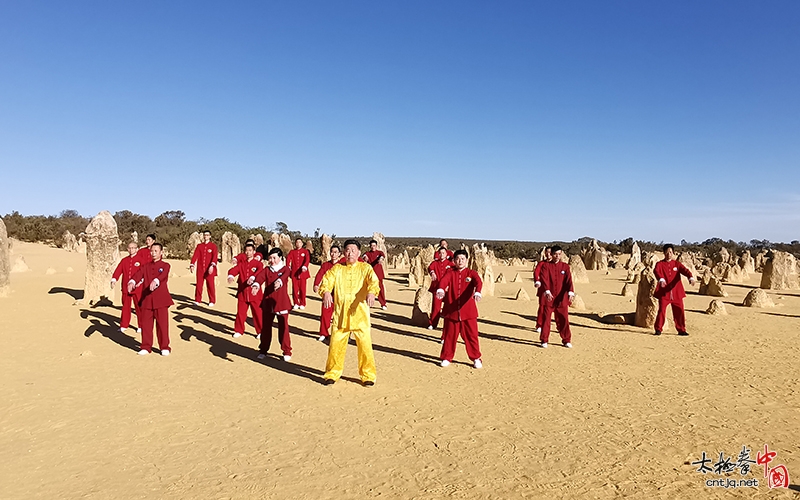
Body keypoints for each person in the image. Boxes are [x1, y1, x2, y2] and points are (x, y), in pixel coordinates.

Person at [318, 239, 381, 386]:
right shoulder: (337, 269)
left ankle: (368, 375)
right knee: (335, 345)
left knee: (365, 346)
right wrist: (326, 292)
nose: (350, 253)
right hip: (341, 315)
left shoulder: (365, 268)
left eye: (353, 250)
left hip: (360, 315)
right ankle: (332, 373)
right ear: (343, 252)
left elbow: (374, 282)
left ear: (359, 252)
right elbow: (326, 281)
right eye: (347, 250)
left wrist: (372, 293)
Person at [435, 249, 483, 368]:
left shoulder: (471, 273)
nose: (460, 261)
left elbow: (478, 282)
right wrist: (441, 289)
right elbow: (443, 281)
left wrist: (478, 292)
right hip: (452, 312)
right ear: (454, 260)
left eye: (462, 259)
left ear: (467, 260)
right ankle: (446, 357)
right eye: (457, 259)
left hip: (468, 312)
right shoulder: (450, 272)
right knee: (449, 337)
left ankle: (476, 358)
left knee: (471, 336)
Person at [127, 243, 174, 356]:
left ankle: (164, 346)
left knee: (162, 325)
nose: (153, 253)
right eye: (152, 251)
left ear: (161, 252)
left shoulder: (165, 265)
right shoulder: (145, 266)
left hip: (161, 300)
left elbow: (163, 277)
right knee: (146, 325)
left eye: (156, 251)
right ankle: (146, 346)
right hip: (147, 299)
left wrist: (156, 281)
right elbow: (138, 275)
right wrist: (132, 282)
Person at [252, 248, 293, 361]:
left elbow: (284, 278)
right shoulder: (267, 269)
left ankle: (287, 350)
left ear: (280, 258)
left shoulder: (285, 269)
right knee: (265, 328)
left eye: (274, 257)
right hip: (268, 303)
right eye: (270, 258)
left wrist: (279, 282)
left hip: (282, 303)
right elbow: (260, 278)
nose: (272, 260)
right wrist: (256, 285)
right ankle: (263, 350)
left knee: (283, 328)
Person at [653, 244, 696, 336]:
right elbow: (656, 271)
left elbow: (685, 270)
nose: (669, 254)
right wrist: (661, 279)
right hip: (664, 293)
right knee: (661, 311)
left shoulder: (676, 264)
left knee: (679, 311)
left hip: (676, 293)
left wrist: (690, 277)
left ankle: (681, 329)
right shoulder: (659, 264)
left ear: (673, 253)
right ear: (664, 253)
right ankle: (658, 329)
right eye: (667, 252)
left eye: (671, 252)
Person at [538, 245, 574, 348]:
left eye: (559, 254)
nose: (557, 256)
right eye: (555, 254)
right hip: (549, 299)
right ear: (551, 254)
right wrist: (547, 291)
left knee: (564, 320)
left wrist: (570, 292)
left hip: (561, 299)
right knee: (546, 320)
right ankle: (544, 340)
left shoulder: (565, 267)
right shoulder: (546, 266)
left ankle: (566, 340)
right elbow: (544, 280)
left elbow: (569, 281)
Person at [227, 243, 264, 339]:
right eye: (246, 250)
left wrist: (253, 277)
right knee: (240, 313)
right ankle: (239, 330)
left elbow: (259, 272)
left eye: (250, 250)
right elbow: (233, 270)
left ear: (254, 252)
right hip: (242, 293)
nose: (248, 252)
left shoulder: (258, 264)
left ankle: (260, 331)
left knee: (257, 313)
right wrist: (231, 276)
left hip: (255, 294)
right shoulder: (242, 264)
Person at [313, 245, 345, 342]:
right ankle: (323, 333)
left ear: (339, 254)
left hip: (341, 293)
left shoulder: (343, 264)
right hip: (328, 294)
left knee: (343, 315)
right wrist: (316, 284)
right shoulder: (326, 265)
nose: (333, 254)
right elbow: (320, 274)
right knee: (325, 313)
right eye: (332, 252)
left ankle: (344, 334)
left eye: (336, 252)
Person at [111, 241, 144, 334]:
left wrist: (141, 282)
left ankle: (141, 326)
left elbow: (144, 272)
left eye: (133, 248)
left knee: (139, 307)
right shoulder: (124, 260)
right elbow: (118, 270)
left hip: (137, 288)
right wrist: (114, 279)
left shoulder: (141, 260)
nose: (131, 250)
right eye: (129, 248)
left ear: (137, 249)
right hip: (125, 288)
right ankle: (124, 325)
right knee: (125, 307)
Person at [427, 246, 453, 332]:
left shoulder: (450, 264)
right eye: (440, 253)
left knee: (448, 308)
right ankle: (432, 323)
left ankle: (447, 326)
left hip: (447, 290)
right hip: (437, 288)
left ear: (446, 254)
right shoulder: (435, 263)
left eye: (443, 253)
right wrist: (432, 272)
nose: (442, 255)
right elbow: (430, 268)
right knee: (436, 307)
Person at [189, 230, 218, 307]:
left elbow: (215, 257)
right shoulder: (199, 246)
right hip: (200, 268)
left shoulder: (213, 246)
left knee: (210, 285)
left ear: (210, 236)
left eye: (207, 235)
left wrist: (212, 266)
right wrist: (192, 264)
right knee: (199, 284)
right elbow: (195, 255)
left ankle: (212, 300)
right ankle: (197, 299)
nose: (206, 236)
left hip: (209, 269)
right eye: (205, 235)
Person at [361, 239, 387, 309]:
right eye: (371, 246)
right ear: (370, 246)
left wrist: (380, 259)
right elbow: (364, 256)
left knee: (380, 289)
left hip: (379, 274)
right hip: (370, 274)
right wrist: (365, 258)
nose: (373, 247)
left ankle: (383, 304)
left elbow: (382, 256)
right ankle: (368, 303)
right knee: (368, 288)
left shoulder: (380, 253)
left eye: (374, 245)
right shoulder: (368, 253)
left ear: (376, 246)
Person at [287, 238, 311, 310]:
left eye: (299, 242)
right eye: (297, 242)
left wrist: (305, 266)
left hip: (303, 274)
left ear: (302, 244)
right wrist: (288, 266)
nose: (298, 244)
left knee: (302, 290)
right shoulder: (292, 252)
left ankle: (302, 303)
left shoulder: (305, 251)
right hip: (294, 273)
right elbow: (288, 259)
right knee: (295, 290)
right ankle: (296, 303)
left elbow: (307, 260)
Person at [533, 246, 552, 333]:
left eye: (550, 252)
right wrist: (537, 281)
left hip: (555, 290)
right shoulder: (541, 264)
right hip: (543, 290)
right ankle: (539, 325)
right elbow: (536, 272)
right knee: (542, 307)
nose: (548, 254)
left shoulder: (556, 264)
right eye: (546, 252)